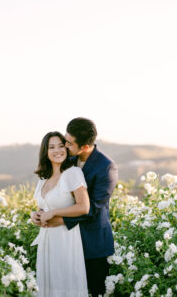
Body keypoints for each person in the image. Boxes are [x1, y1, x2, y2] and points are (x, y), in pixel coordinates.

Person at [33, 118, 118, 297]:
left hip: (93, 242)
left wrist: (60, 219)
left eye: (69, 143)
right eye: (65, 139)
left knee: (96, 292)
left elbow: (93, 208)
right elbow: (60, 194)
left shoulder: (107, 167)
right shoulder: (68, 157)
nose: (64, 145)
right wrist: (42, 213)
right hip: (66, 241)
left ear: (85, 147)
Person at [30, 131, 90, 297]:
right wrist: (36, 215)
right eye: (52, 147)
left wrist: (54, 212)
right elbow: (44, 206)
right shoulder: (43, 178)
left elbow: (84, 206)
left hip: (66, 240)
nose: (57, 150)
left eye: (61, 146)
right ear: (45, 152)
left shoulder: (73, 173)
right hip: (47, 240)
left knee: (64, 284)